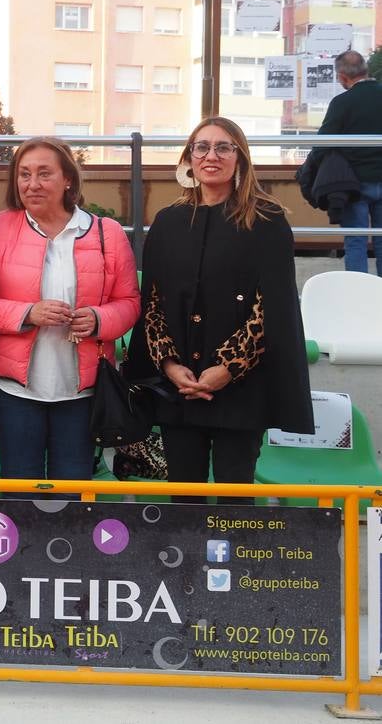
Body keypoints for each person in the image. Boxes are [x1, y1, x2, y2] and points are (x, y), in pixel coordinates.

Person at [125, 117, 313, 503]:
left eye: (223, 147)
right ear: (188, 159)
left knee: (235, 500)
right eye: (202, 147)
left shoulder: (267, 220)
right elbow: (154, 302)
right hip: (178, 389)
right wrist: (170, 366)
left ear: (239, 158)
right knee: (183, 502)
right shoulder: (167, 222)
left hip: (241, 391)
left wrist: (227, 368)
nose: (212, 156)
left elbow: (271, 307)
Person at [0, 137, 139, 486]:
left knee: (72, 488)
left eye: (44, 174)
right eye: (24, 174)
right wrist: (28, 313)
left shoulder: (107, 233)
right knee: (18, 485)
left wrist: (98, 320)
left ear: (68, 180)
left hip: (82, 391)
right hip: (14, 388)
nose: (32, 184)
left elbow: (130, 303)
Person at [301, 49, 382, 274]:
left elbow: (325, 141)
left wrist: (307, 171)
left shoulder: (342, 102)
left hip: (354, 184)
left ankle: (357, 295)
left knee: (355, 241)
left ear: (343, 77)